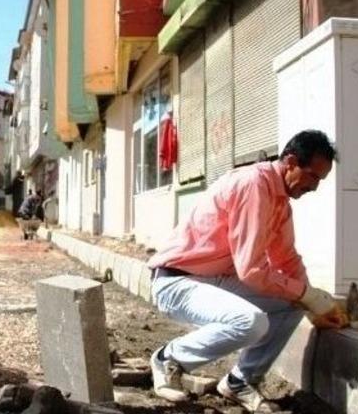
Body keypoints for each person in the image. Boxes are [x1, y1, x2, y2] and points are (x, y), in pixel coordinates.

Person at [147, 130, 347, 412]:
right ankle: (168, 359)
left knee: (291, 304)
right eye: (312, 176)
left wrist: (313, 304)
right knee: (250, 322)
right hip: (176, 281)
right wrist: (307, 295)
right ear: (291, 162)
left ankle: (240, 381)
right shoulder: (253, 185)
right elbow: (251, 270)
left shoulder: (279, 201)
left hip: (213, 280)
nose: (314, 187)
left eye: (320, 180)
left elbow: (287, 258)